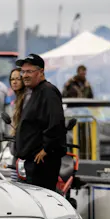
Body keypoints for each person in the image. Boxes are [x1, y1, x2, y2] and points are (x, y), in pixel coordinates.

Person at [14, 54, 66, 191]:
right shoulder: (35, 92)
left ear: (41, 72)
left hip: (42, 161)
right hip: (32, 160)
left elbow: (56, 122)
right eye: (23, 72)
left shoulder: (48, 91)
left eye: (29, 71)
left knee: (42, 197)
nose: (25, 75)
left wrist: (46, 149)